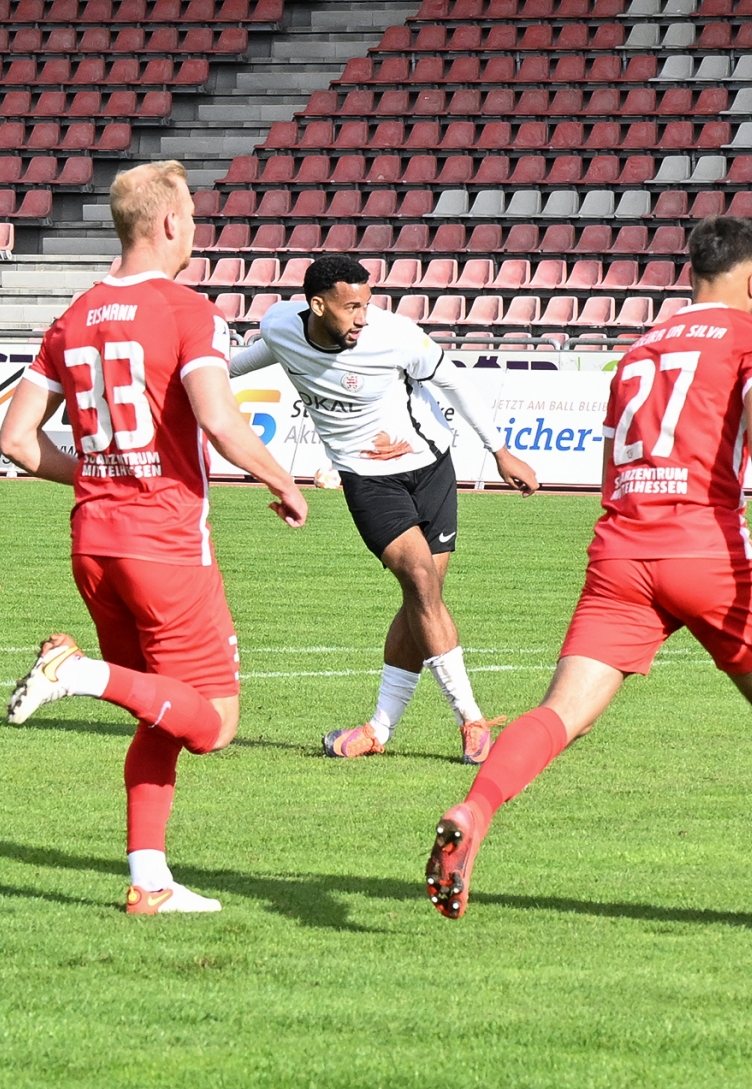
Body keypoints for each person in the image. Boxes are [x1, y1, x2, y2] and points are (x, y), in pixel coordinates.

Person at [427, 216, 752, 924]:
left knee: (561, 712)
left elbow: (617, 465)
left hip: (622, 552)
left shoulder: (639, 348)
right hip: (706, 554)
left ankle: (475, 809)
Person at [0, 161, 309, 915]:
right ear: (170, 222)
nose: (195, 228)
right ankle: (76, 673)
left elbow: (15, 441)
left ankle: (150, 882)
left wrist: (96, 476)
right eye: (192, 216)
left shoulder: (72, 316)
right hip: (165, 546)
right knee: (216, 724)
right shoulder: (187, 310)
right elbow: (219, 419)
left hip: (93, 545)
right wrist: (283, 478)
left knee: (160, 713)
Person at [227, 253, 541, 765]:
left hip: (432, 466)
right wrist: (184, 375)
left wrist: (500, 450)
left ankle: (378, 729)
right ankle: (471, 720)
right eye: (351, 307)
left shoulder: (394, 336)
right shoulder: (281, 326)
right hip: (368, 479)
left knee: (423, 598)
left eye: (367, 305)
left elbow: (454, 383)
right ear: (317, 306)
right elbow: (246, 360)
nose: (363, 317)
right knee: (419, 580)